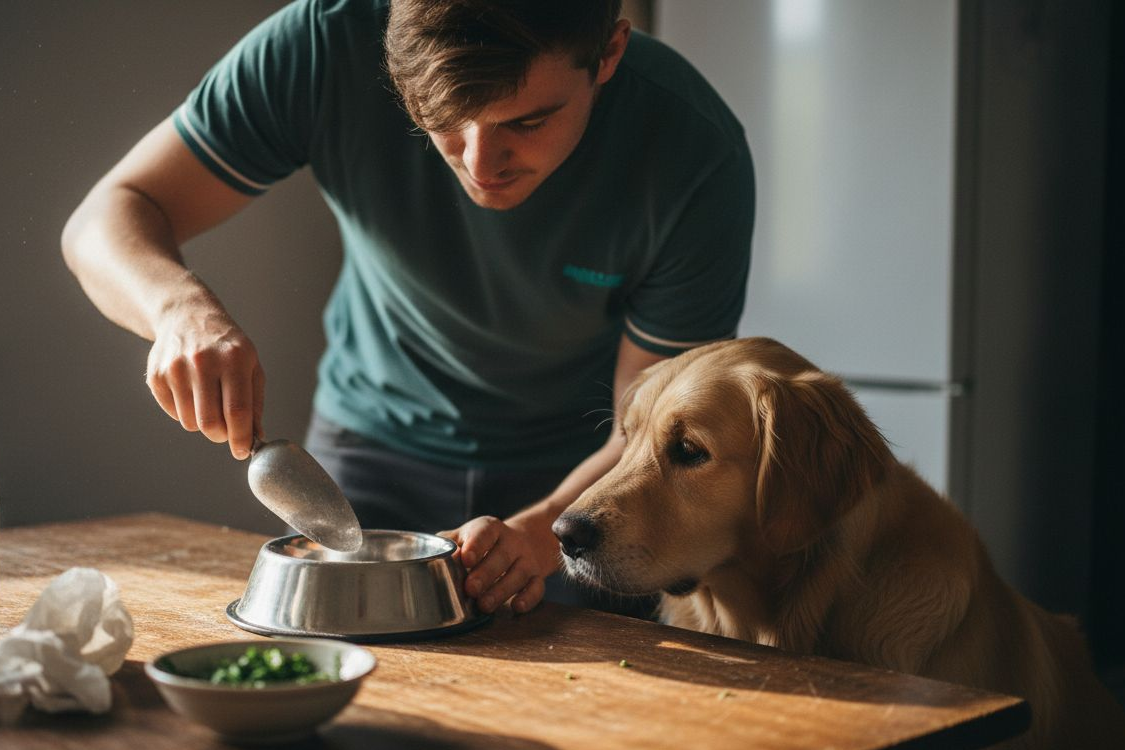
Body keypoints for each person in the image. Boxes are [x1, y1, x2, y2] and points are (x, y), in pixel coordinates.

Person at [62, 0, 754, 619]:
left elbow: (646, 427)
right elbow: (105, 218)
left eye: (529, 120)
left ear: (607, 54)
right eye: (445, 121)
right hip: (368, 454)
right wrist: (180, 311)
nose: (482, 163)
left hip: (587, 484)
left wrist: (541, 534)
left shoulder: (695, 155)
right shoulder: (324, 42)